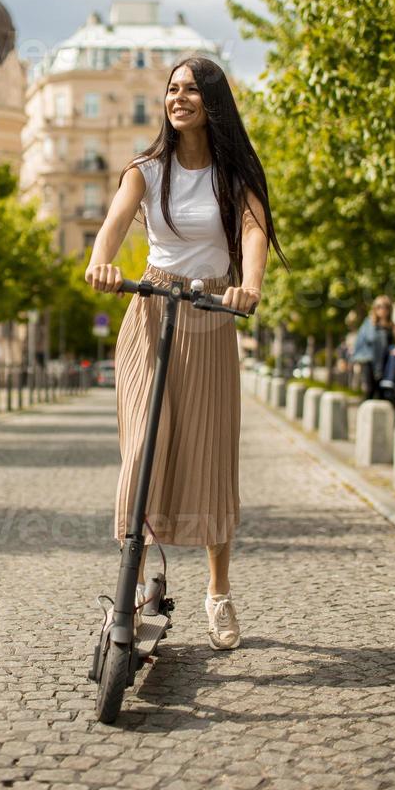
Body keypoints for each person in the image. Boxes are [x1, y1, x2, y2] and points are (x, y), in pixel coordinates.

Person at [85, 57, 286, 651]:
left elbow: (253, 229)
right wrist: (102, 261)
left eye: (191, 89)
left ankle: (218, 592)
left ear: (213, 101)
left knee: (208, 454)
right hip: (149, 310)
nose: (178, 98)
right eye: (172, 89)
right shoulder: (146, 170)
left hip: (212, 315)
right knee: (146, 448)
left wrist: (249, 285)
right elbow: (114, 224)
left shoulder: (234, 173)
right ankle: (140, 580)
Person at [352, 296, 395, 400]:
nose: (382, 310)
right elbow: (362, 342)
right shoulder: (369, 323)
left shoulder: (392, 326)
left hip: (385, 363)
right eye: (379, 307)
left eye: (385, 307)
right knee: (369, 390)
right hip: (370, 361)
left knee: (383, 392)